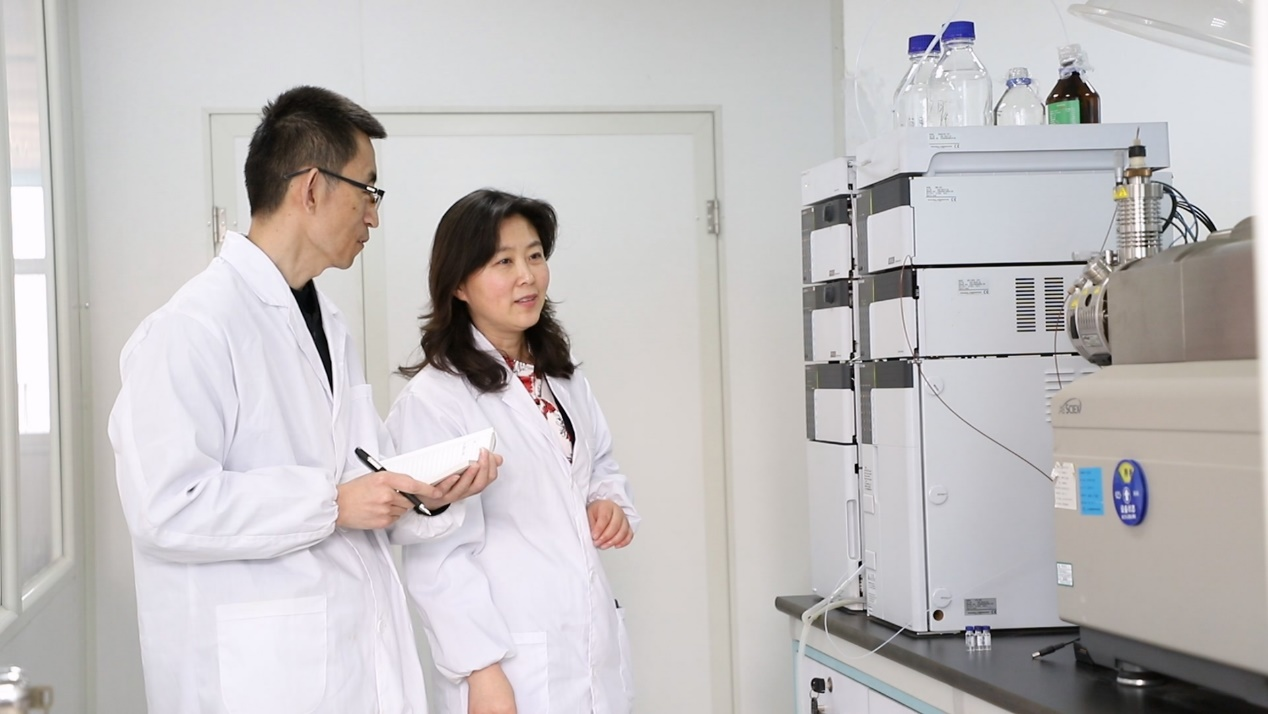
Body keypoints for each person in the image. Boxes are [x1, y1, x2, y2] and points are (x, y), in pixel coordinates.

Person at [108, 86, 498, 714]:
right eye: (368, 190)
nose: (374, 216)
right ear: (312, 187)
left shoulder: (326, 324)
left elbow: (357, 473)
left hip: (346, 659)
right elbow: (166, 507)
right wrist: (331, 504)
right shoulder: (191, 329)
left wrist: (424, 490)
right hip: (256, 679)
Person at [387, 189, 640, 714]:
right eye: (503, 261)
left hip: (588, 650)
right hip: (509, 666)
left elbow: (599, 465)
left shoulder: (562, 379)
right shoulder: (436, 400)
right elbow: (435, 557)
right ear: (459, 284)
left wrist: (607, 502)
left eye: (535, 255)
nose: (527, 276)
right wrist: (481, 671)